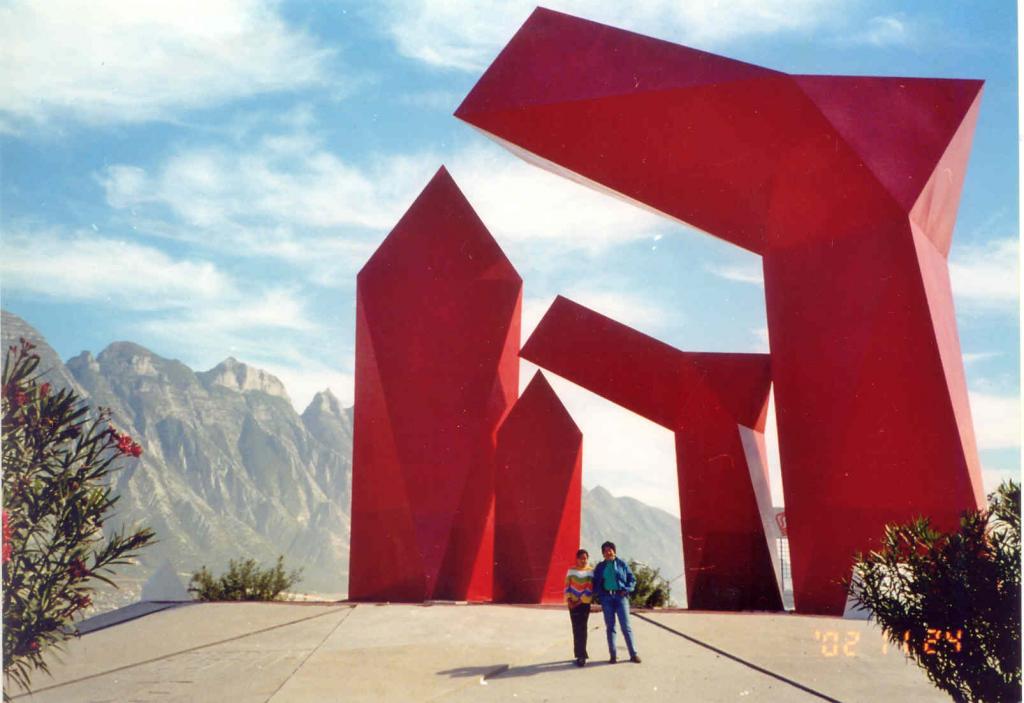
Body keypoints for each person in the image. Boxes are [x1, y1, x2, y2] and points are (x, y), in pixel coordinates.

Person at [592, 541, 640, 663]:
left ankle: (633, 654)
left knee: (626, 626)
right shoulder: (600, 567)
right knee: (610, 627)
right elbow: (595, 581)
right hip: (606, 598)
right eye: (605, 551)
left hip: (621, 598)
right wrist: (599, 594)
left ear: (614, 551)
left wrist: (627, 589)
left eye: (610, 550)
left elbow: (632, 579)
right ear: (603, 554)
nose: (608, 552)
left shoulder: (622, 564)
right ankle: (613, 655)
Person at [564, 548, 594, 667]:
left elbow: (589, 588)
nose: (583, 560)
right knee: (575, 629)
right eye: (581, 558)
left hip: (584, 604)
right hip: (572, 604)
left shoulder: (590, 571)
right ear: (577, 559)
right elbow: (567, 586)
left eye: (585, 558)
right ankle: (578, 654)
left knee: (583, 629)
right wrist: (569, 600)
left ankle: (582, 656)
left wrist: (578, 602)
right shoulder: (571, 571)